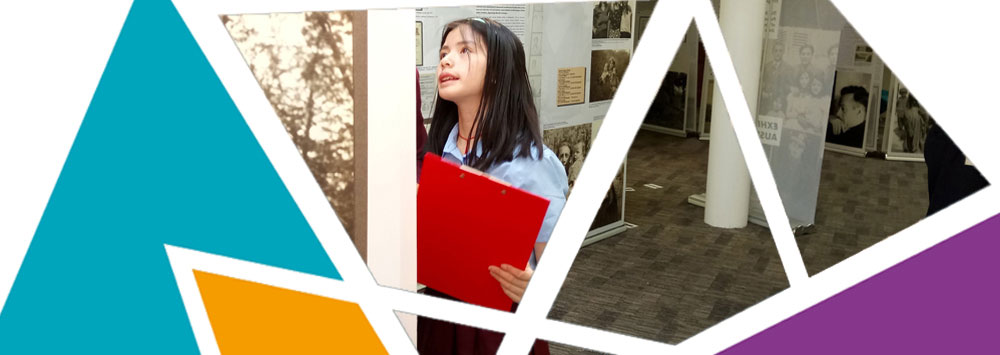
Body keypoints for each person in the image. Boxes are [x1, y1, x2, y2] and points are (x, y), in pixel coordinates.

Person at [419, 17, 567, 355]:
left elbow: (553, 268)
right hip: (438, 315)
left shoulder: (532, 162)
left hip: (497, 329)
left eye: (464, 50)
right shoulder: (440, 150)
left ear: (499, 71)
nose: (446, 59)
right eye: (444, 51)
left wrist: (533, 286)